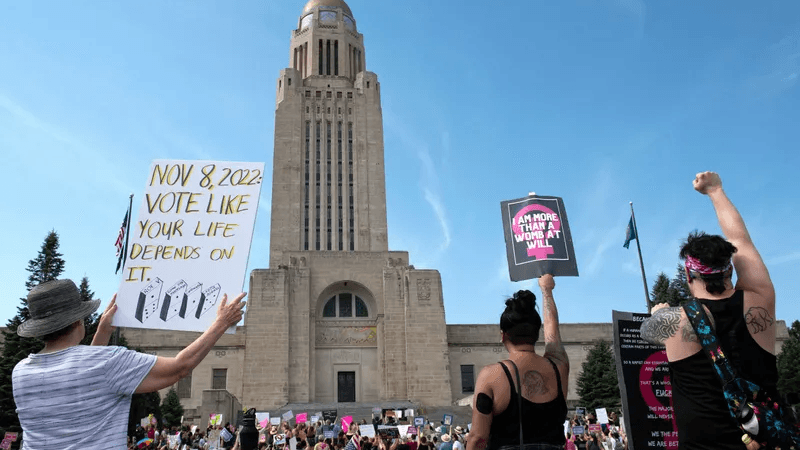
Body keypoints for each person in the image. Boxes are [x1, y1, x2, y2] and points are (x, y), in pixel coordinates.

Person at [12, 278, 246, 450]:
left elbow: (81, 379)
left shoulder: (21, 371)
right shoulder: (108, 362)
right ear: (77, 321)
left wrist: (102, 333)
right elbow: (179, 367)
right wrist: (221, 323)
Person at [640, 171, 777, 450]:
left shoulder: (676, 321)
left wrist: (659, 312)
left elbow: (646, 332)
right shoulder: (760, 298)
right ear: (730, 269)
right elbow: (741, 241)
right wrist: (715, 190)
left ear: (688, 275)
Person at [467, 274, 568, 450]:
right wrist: (547, 291)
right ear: (536, 333)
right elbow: (553, 331)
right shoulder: (559, 366)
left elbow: (478, 438)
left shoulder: (492, 375)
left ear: (503, 335)